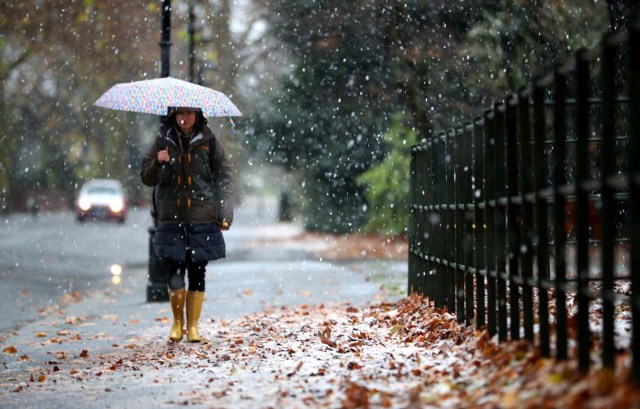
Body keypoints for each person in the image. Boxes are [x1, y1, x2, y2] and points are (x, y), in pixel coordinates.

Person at [140, 107, 234, 343]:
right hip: (171, 218)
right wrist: (159, 163)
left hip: (201, 217)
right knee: (174, 272)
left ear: (197, 115)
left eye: (189, 114)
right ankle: (177, 323)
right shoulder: (163, 140)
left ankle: (193, 327)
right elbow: (146, 176)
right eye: (180, 113)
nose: (184, 118)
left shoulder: (210, 142)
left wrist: (225, 214)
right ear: (173, 115)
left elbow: (225, 176)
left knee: (197, 272)